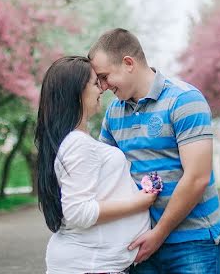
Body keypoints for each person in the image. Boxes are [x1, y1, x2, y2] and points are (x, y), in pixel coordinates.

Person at [89, 28, 220, 274]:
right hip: (140, 240)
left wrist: (159, 233)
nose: (103, 86)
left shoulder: (184, 100)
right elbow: (105, 174)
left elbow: (197, 177)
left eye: (105, 76)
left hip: (191, 241)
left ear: (128, 63)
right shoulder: (114, 113)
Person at [35, 56, 159, 274]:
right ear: (76, 93)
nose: (102, 88)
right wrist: (139, 203)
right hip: (90, 265)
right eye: (95, 83)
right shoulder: (77, 143)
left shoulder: (73, 140)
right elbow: (78, 212)